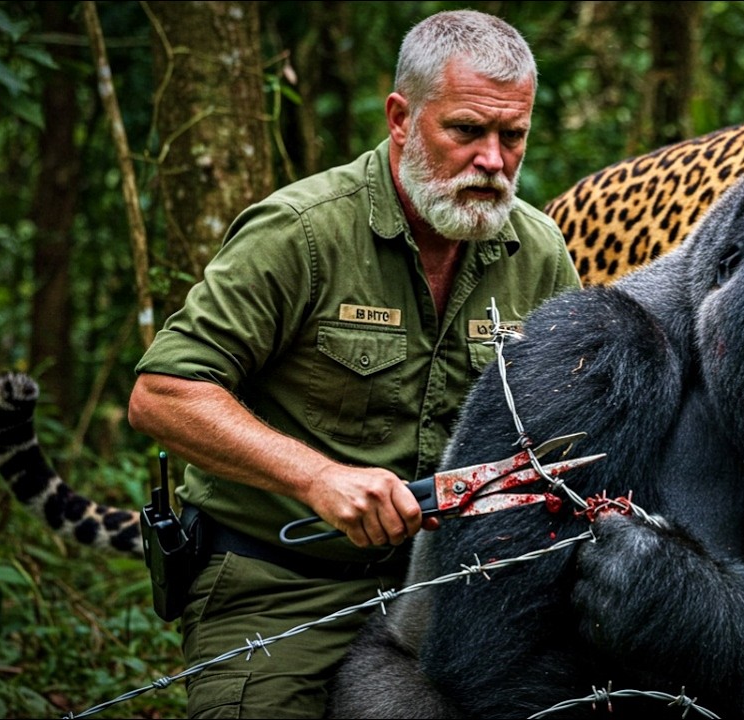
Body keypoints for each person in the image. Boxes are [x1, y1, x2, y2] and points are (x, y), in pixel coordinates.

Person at [126, 10, 580, 718]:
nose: (493, 161)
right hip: (279, 581)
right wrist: (320, 479)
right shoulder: (302, 232)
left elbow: (571, 429)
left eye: (512, 136)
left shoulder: (539, 252)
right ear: (401, 118)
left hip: (446, 587)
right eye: (465, 131)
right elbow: (164, 395)